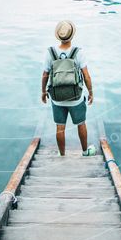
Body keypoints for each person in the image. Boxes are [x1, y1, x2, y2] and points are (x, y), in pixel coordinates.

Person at [41, 20, 96, 156]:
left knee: (60, 127)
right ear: (72, 36)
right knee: (81, 123)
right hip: (75, 97)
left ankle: (62, 154)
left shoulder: (50, 53)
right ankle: (85, 152)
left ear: (58, 36)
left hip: (57, 97)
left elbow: (45, 75)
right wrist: (91, 92)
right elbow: (87, 76)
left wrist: (43, 92)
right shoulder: (78, 52)